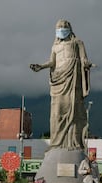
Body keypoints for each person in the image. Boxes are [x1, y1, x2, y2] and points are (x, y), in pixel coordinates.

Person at [30, 19, 93, 150]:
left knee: (74, 111)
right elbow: (52, 62)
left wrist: (86, 64)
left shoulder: (77, 43)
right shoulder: (55, 46)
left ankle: (73, 142)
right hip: (58, 81)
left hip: (73, 80)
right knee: (56, 112)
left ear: (69, 28)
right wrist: (41, 66)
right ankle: (56, 143)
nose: (61, 29)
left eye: (63, 27)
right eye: (58, 27)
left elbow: (84, 59)